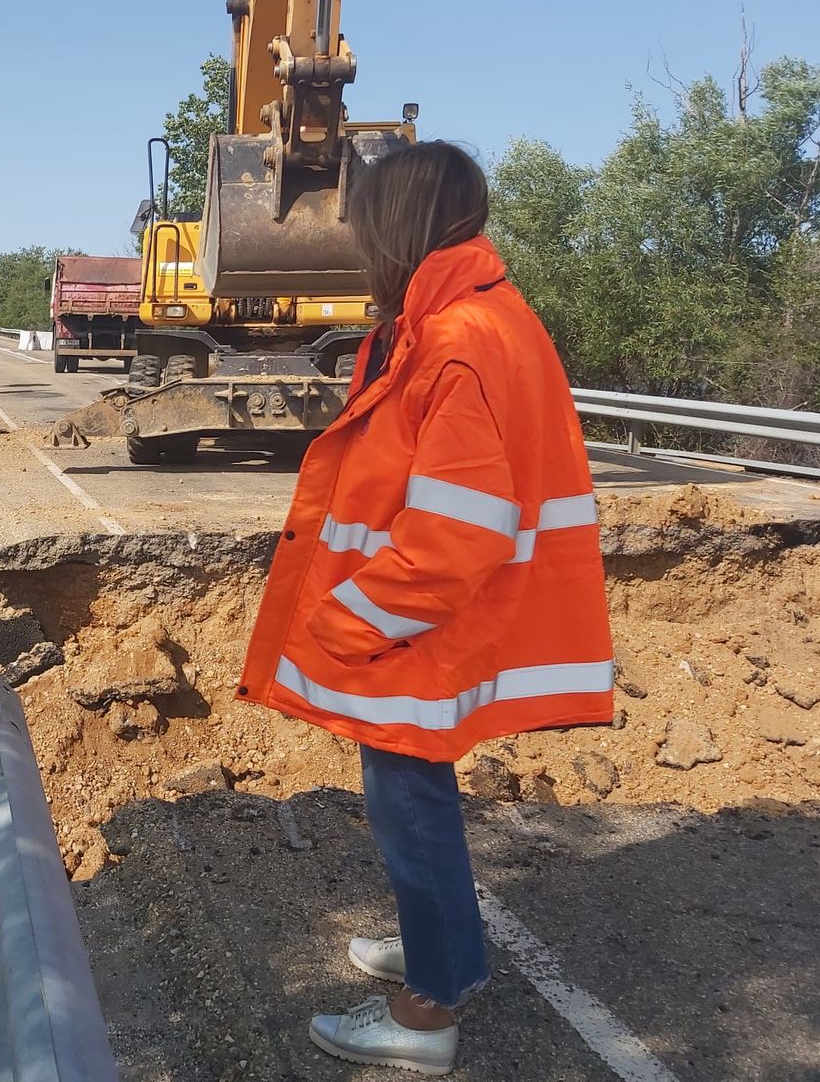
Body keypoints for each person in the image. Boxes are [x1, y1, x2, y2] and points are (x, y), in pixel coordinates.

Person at [236, 142, 612, 1076]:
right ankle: (442, 949)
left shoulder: (455, 338)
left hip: (410, 631)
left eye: (368, 226)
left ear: (399, 227)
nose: (361, 244)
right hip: (427, 626)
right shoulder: (484, 317)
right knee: (415, 805)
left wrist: (344, 622)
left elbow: (457, 532)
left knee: (409, 812)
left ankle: (427, 1013)